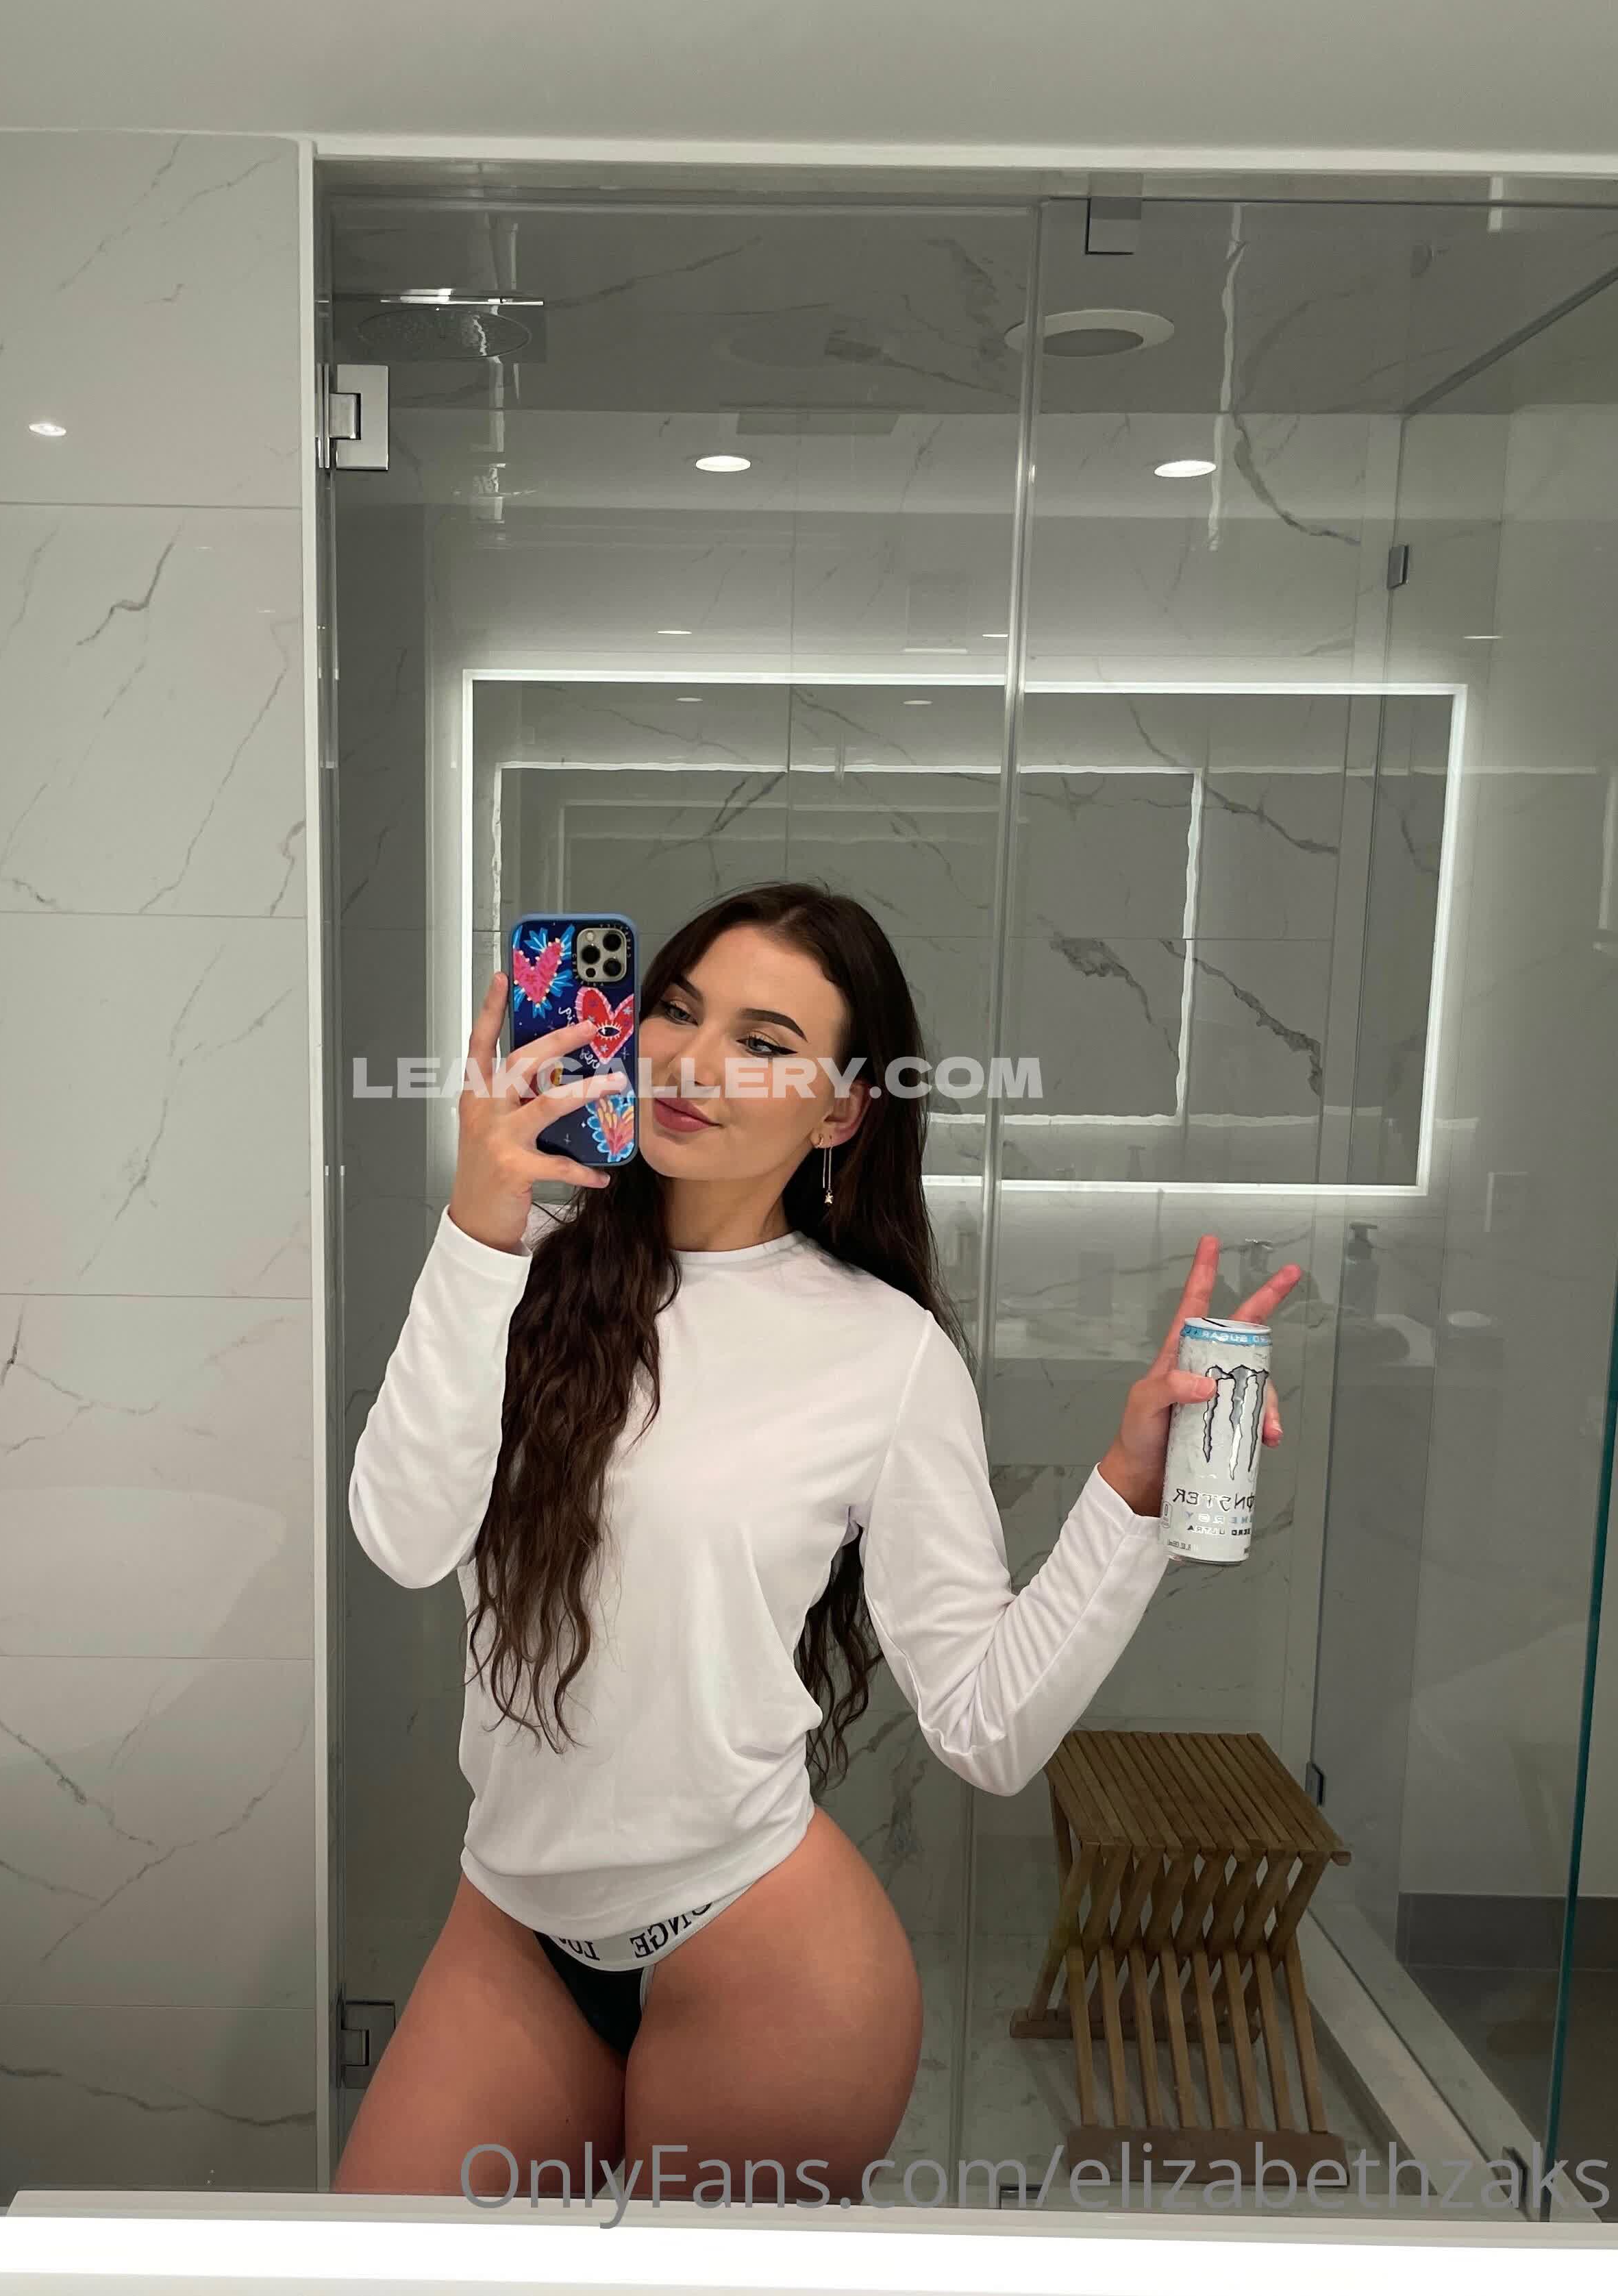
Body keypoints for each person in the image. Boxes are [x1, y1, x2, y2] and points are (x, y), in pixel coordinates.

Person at [335, 882, 1299, 2204]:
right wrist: (473, 1224)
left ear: (841, 1110)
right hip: (509, 1922)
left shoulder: (883, 1352)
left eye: (764, 1040)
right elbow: (402, 1538)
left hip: (760, 1948)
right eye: (678, 1010)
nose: (693, 1060)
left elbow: (986, 1725)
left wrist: (1128, 1494)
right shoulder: (515, 1259)